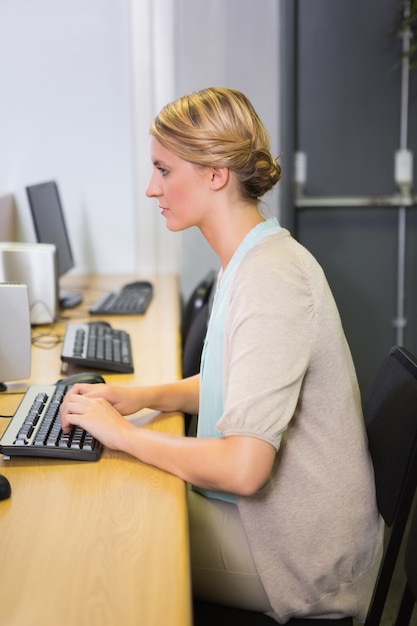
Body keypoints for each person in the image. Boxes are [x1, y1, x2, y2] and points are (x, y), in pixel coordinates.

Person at [60, 87, 383, 623]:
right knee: (123, 493)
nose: (150, 187)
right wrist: (135, 397)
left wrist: (121, 434)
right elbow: (232, 379)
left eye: (164, 170)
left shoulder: (271, 279)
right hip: (278, 526)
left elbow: (243, 468)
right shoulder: (253, 257)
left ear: (215, 174)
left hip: (299, 558)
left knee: (110, 543)